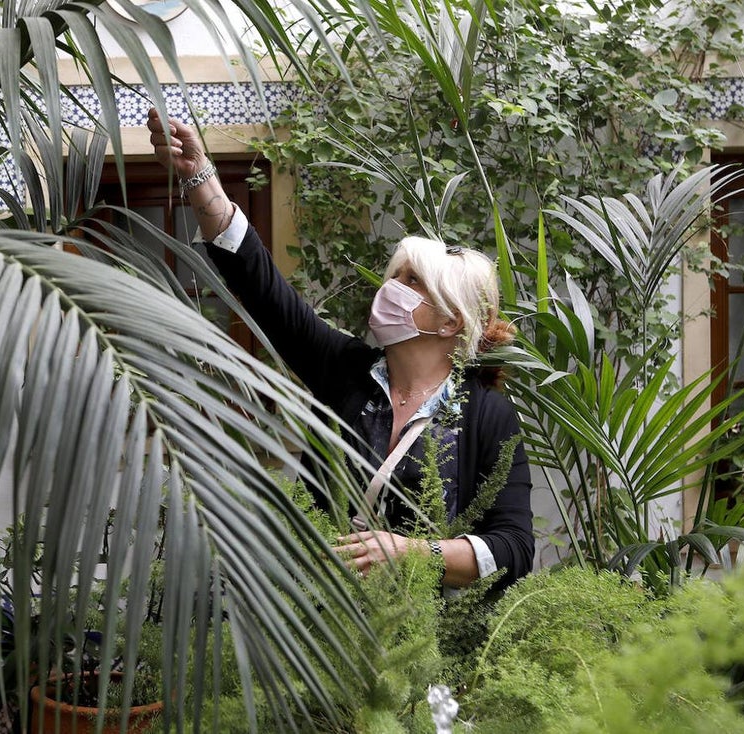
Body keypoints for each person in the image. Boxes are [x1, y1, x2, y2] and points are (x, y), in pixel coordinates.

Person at [147, 109, 533, 590]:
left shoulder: (485, 413)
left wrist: (410, 553)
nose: (391, 286)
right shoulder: (344, 369)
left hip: (427, 627)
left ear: (451, 321)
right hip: (321, 612)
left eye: (412, 281)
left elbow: (514, 547)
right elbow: (262, 287)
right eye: (395, 275)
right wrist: (199, 175)